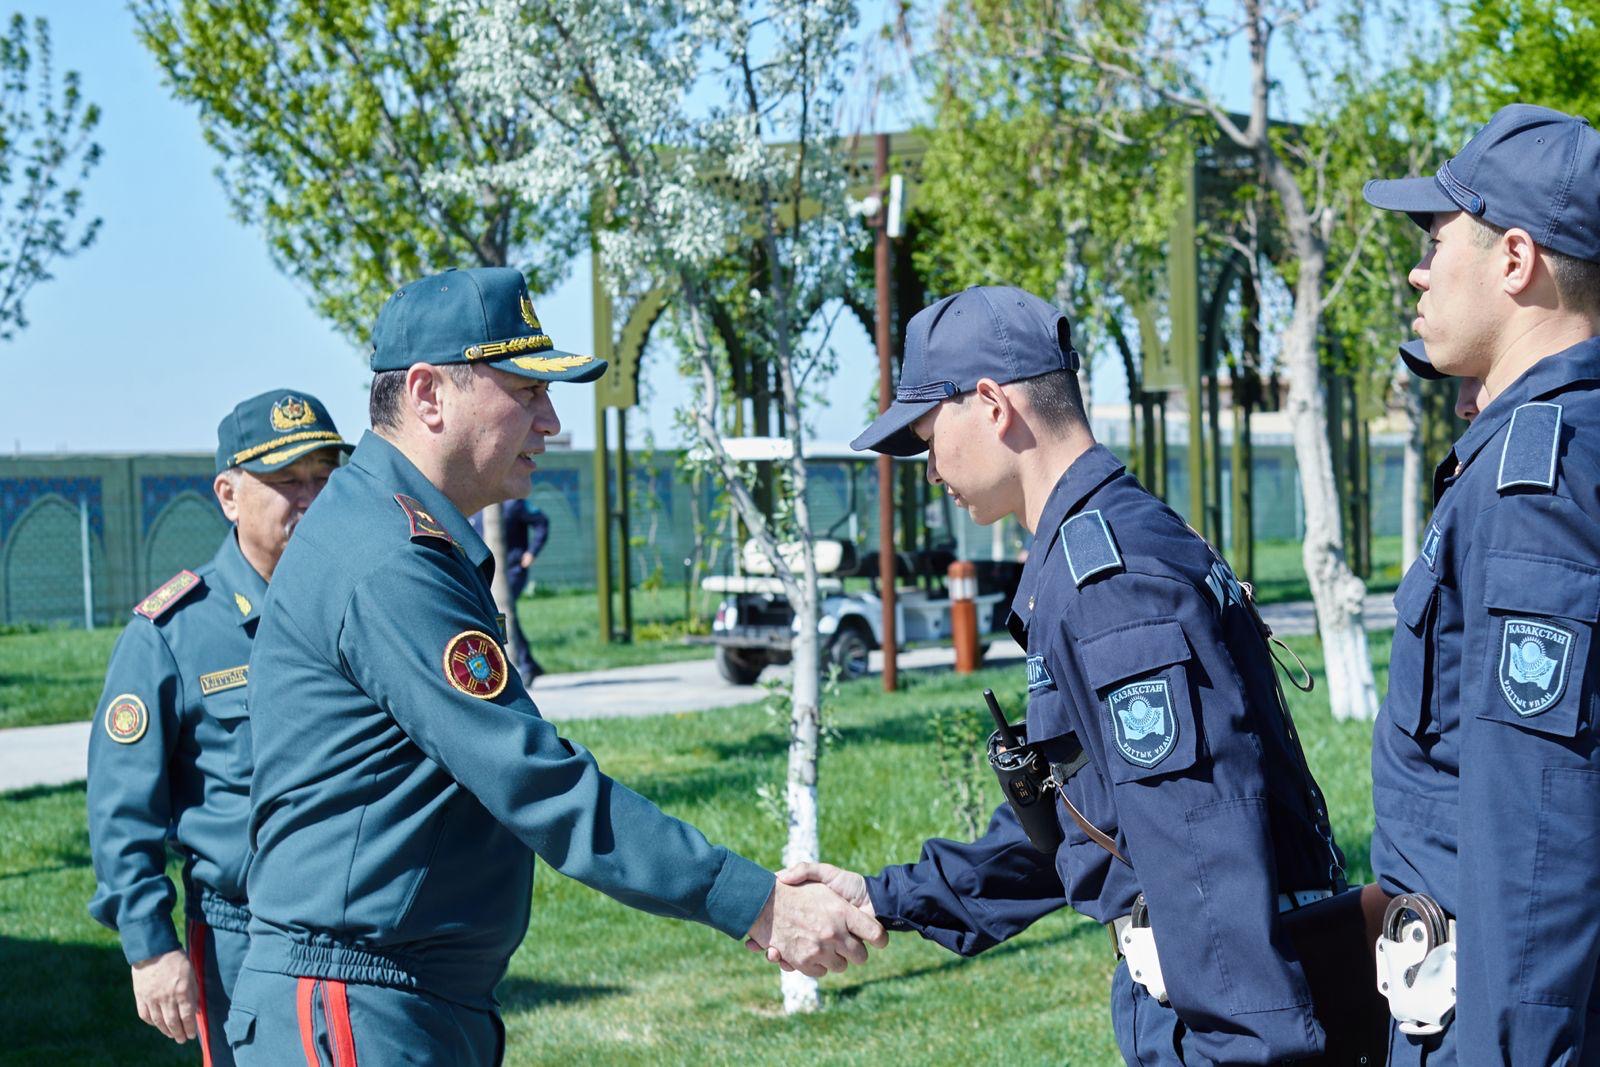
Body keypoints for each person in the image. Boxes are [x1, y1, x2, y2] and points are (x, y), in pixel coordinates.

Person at [230, 267, 884, 1065]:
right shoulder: (386, 559)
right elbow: (537, 781)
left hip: (396, 999)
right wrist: (754, 903)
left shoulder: (389, 533)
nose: (552, 421)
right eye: (525, 391)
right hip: (356, 1005)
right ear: (429, 393)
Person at [782, 285, 1349, 1063]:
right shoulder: (1109, 541)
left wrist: (1256, 1049)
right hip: (1198, 998)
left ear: (990, 404)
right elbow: (1084, 819)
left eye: (926, 434)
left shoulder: (1107, 577)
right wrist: (885, 895)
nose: (927, 468)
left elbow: (1198, 845)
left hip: (1223, 1015)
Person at [1363, 103, 1600, 1064]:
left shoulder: (1532, 481)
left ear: (1514, 260)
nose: (1419, 270)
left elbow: (1539, 828)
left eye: (1437, 237)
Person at [86, 390, 351, 1064]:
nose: (312, 498)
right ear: (229, 494)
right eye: (289, 481)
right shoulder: (172, 632)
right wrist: (149, 944)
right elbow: (123, 806)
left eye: (325, 477)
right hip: (244, 938)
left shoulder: (360, 601)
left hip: (365, 932)